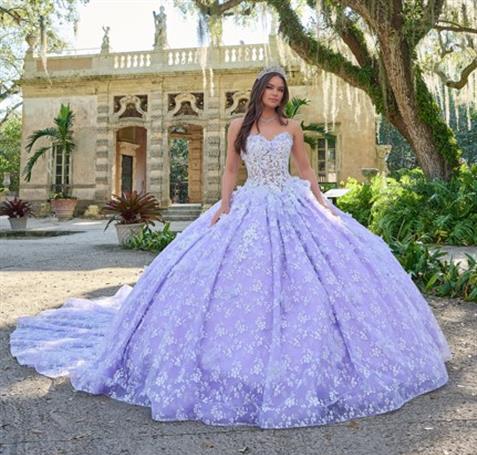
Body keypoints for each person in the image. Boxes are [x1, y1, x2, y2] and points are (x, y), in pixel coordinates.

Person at [10, 65, 451, 429]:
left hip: (290, 202)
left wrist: (327, 208)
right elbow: (228, 171)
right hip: (250, 202)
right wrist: (223, 209)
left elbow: (307, 172)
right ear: (259, 90)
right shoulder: (239, 124)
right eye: (271, 88)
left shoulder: (293, 127)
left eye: (281, 89)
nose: (276, 94)